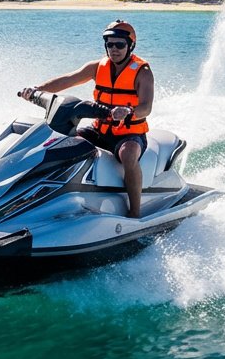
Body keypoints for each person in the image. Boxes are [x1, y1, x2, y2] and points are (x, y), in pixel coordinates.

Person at [20, 20, 154, 218]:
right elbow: (67, 80)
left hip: (129, 133)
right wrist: (37, 90)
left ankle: (135, 212)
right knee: (62, 143)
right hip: (100, 130)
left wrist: (128, 111)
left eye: (119, 45)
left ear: (130, 46)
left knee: (128, 154)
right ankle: (48, 194)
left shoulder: (142, 71)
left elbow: (146, 108)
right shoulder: (96, 67)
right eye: (110, 44)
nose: (114, 49)